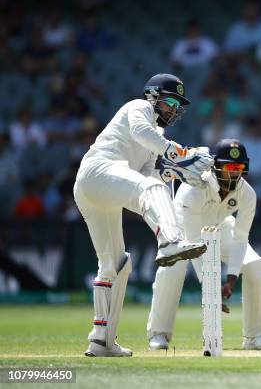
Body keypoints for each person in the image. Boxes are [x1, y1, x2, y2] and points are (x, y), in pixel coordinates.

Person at [73, 73, 213, 357]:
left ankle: (102, 339)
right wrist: (181, 153)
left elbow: (146, 178)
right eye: (170, 101)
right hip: (97, 170)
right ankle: (170, 241)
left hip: (101, 189)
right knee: (150, 189)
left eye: (178, 105)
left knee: (116, 264)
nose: (173, 109)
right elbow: (139, 133)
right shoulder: (138, 107)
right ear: (153, 96)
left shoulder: (157, 137)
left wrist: (176, 171)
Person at [147, 139, 261, 351]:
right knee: (173, 269)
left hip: (220, 225)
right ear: (216, 167)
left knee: (257, 267)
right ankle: (158, 334)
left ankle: (256, 337)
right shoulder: (195, 188)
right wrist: (211, 290)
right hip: (181, 228)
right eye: (229, 167)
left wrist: (231, 279)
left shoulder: (247, 193)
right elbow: (193, 245)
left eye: (239, 168)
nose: (235, 173)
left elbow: (240, 238)